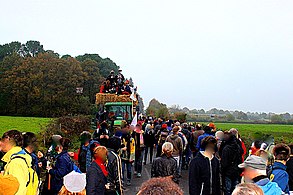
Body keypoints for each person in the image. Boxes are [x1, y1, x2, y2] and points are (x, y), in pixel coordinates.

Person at [1, 130, 32, 195]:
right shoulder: (20, 157)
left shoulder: (16, 163)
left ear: (7, 139)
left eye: (1, 140)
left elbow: (18, 190)